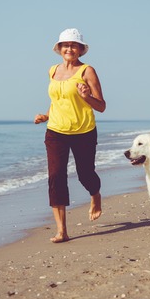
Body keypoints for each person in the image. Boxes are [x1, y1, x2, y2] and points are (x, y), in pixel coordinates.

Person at [34, 28, 106, 243]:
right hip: (56, 131)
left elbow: (101, 106)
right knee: (56, 177)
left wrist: (86, 97)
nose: (69, 48)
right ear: (59, 48)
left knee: (85, 174)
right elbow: (58, 99)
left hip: (83, 131)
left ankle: (96, 195)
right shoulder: (52, 70)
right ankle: (62, 231)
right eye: (66, 45)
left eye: (74, 45)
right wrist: (46, 115)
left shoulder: (87, 71)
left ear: (81, 49)